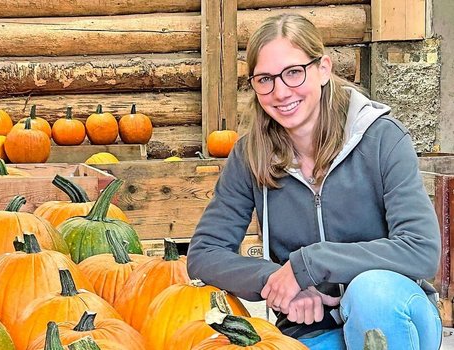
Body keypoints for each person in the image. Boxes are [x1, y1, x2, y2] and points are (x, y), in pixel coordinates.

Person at [187, 13, 442, 350]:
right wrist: (276, 282)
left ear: (323, 68)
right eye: (265, 79)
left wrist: (308, 265)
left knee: (371, 293)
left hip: (395, 311)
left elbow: (420, 249)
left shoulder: (381, 139)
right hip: (308, 329)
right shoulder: (250, 155)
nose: (280, 92)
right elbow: (204, 254)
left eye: (293, 72)